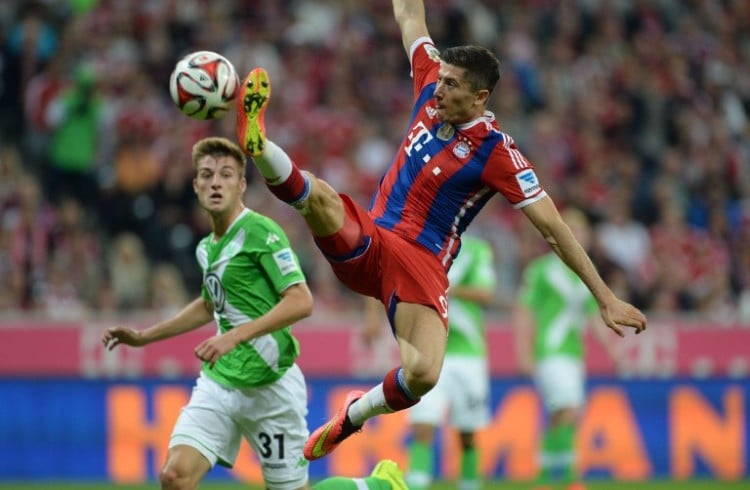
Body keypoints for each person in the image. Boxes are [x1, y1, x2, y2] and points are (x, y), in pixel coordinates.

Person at [234, 0, 646, 463]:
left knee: (424, 375)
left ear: (479, 99)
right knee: (324, 199)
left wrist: (605, 297)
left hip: (423, 265)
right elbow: (410, 15)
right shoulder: (431, 79)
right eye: (441, 78)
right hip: (374, 238)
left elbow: (554, 229)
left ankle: (353, 416)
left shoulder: (498, 154)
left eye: (451, 84)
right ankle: (260, 146)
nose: (438, 88)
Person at [101, 136, 408, 490]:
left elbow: (300, 300)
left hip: (271, 388)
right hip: (219, 384)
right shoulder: (207, 247)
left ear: (242, 185)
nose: (216, 182)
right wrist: (144, 337)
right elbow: (208, 304)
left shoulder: (260, 232)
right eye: (207, 174)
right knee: (174, 477)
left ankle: (380, 485)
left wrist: (235, 335)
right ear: (196, 186)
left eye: (227, 174)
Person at [513, 208, 623, 490]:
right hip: (549, 351)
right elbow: (524, 312)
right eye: (571, 230)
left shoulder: (584, 275)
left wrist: (612, 350)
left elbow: (592, 317)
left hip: (573, 353)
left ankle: (545, 477)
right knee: (568, 409)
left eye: (581, 231)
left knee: (562, 414)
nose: (577, 236)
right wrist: (523, 352)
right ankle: (571, 478)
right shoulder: (541, 270)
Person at [402, 235, 496, 490]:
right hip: (428, 352)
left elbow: (486, 294)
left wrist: (445, 286)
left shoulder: (477, 249)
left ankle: (469, 485)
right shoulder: (422, 247)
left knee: (467, 434)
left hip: (468, 356)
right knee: (423, 427)